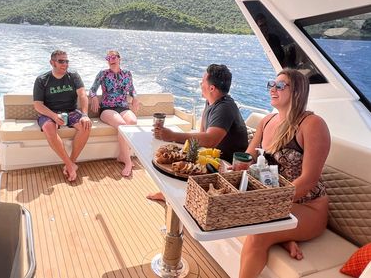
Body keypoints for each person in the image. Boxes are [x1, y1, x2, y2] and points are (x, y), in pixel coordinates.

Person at [239, 69, 330, 278]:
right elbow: (248, 159)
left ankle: (281, 233)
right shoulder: (267, 121)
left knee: (258, 233)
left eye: (280, 85)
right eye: (272, 84)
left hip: (308, 208)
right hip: (276, 201)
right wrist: (234, 168)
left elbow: (308, 180)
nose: (273, 88)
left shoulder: (312, 125)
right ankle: (284, 236)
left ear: (297, 92)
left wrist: (272, 207)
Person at [149, 64, 248, 201]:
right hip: (209, 157)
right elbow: (202, 134)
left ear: (212, 88)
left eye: (203, 81)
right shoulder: (210, 102)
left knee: (177, 165)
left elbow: (210, 140)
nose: (200, 84)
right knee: (170, 159)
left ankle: (174, 198)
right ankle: (168, 193)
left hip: (226, 167)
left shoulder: (225, 108)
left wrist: (172, 136)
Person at [33, 50, 92, 182]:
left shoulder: (74, 76)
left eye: (66, 61)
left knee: (86, 125)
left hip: (70, 111)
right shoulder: (42, 80)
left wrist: (85, 114)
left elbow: (83, 95)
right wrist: (54, 116)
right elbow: (38, 105)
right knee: (48, 127)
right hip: (49, 112)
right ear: (52, 62)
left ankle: (71, 162)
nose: (65, 64)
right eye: (61, 61)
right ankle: (70, 166)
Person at [89, 50, 139, 177]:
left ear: (119, 58)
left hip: (123, 107)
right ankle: (128, 161)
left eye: (114, 57)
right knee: (122, 125)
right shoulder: (103, 74)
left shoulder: (127, 74)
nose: (111, 59)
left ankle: (122, 155)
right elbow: (92, 89)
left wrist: (135, 98)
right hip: (107, 108)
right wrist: (94, 97)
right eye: (108, 58)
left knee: (132, 121)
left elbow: (132, 90)